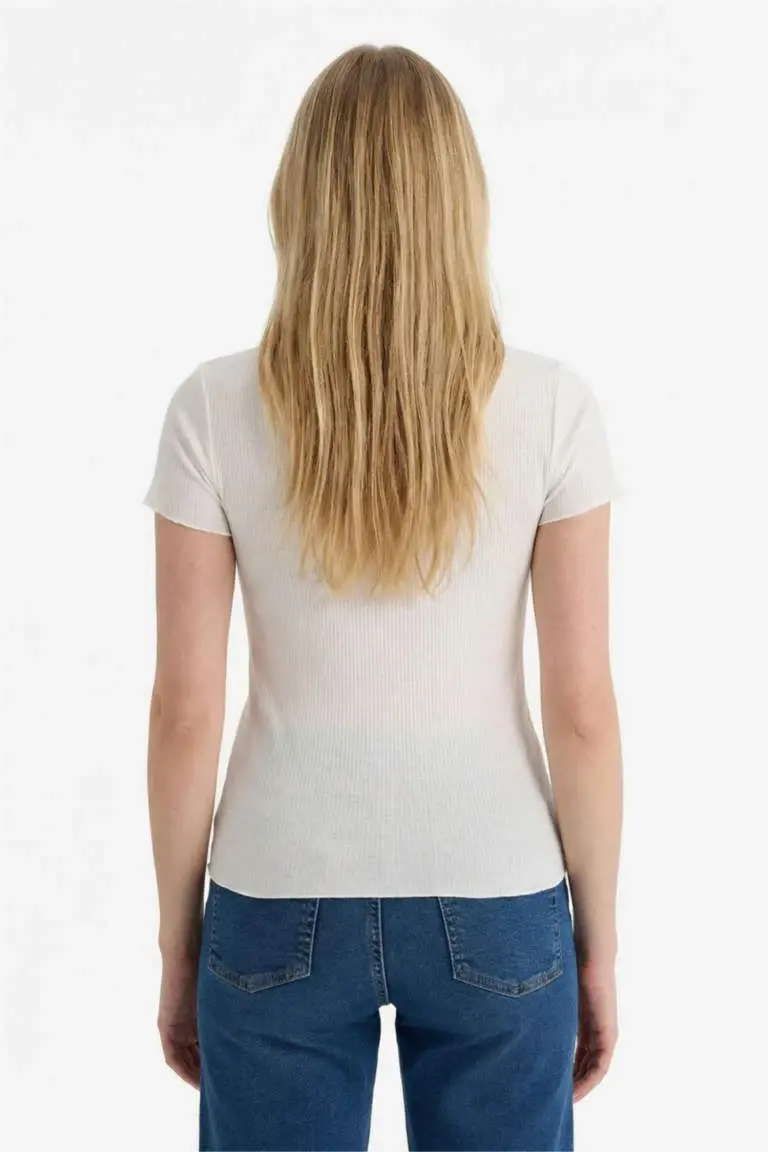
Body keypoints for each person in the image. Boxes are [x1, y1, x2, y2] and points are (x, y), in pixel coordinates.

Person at [142, 43, 624, 1152]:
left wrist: (178, 945)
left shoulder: (211, 409)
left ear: (298, 200)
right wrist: (597, 944)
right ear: (462, 202)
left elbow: (184, 713)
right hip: (499, 890)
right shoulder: (553, 408)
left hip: (276, 892)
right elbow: (583, 711)